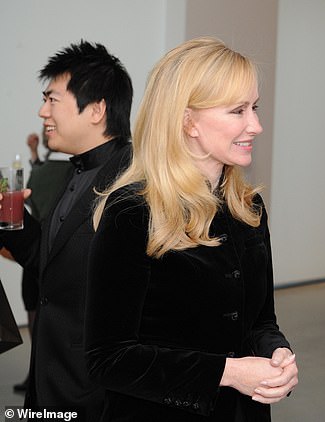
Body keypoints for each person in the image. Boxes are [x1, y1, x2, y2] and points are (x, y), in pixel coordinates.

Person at [84, 36, 298, 421]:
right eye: (238, 110)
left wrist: (275, 351)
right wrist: (230, 373)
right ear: (188, 121)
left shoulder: (247, 207)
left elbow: (260, 320)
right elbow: (107, 358)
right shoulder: (133, 212)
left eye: (255, 107)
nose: (257, 125)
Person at [0, 40, 133, 420]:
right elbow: (49, 262)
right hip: (49, 386)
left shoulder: (132, 185)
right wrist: (9, 220)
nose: (42, 112)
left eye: (52, 99)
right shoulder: (74, 171)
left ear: (96, 109)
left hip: (93, 396)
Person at [12, 131, 73, 394]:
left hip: (50, 249)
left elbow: (41, 188)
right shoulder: (59, 164)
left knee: (42, 317)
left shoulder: (72, 166)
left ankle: (40, 377)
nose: (45, 115)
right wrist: (35, 154)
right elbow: (42, 175)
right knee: (35, 312)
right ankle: (36, 375)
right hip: (41, 248)